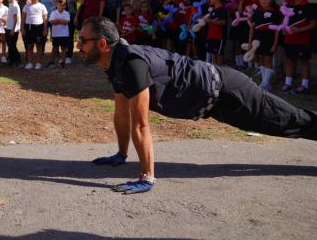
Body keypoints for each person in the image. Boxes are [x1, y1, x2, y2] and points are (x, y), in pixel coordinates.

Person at [79, 16, 317, 195]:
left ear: (101, 43)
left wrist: (147, 177)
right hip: (216, 106)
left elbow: (141, 125)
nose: (79, 45)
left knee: (291, 122)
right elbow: (122, 114)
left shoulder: (131, 63)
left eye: (82, 40)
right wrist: (121, 154)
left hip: (229, 91)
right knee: (284, 125)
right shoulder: (114, 64)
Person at [281, 0, 317, 94]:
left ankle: (305, 85)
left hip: (303, 40)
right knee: (290, 60)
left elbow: (313, 24)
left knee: (304, 62)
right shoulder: (288, 6)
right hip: (289, 39)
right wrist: (283, 28)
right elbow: (284, 21)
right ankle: (288, 83)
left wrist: (299, 30)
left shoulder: (308, 7)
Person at [248, 0, 280, 90]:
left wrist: (275, 44)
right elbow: (252, 28)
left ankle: (266, 82)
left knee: (268, 60)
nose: (264, 0)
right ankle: (264, 81)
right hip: (257, 40)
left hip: (269, 40)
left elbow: (277, 30)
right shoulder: (257, 13)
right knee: (261, 59)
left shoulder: (275, 13)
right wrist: (250, 42)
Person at [22, 0, 47, 70]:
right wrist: (22, 28)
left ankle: (38, 63)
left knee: (39, 46)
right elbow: (23, 18)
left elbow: (45, 18)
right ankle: (30, 63)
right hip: (29, 27)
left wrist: (45, 29)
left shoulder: (42, 6)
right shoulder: (26, 6)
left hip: (39, 27)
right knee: (29, 46)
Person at [48, 0, 70, 68]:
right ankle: (51, 62)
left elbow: (66, 22)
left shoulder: (67, 13)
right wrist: (61, 21)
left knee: (64, 49)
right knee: (54, 48)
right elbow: (52, 22)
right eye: (59, 5)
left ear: (65, 6)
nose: (61, 6)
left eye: (62, 5)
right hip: (56, 34)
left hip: (64, 34)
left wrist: (57, 20)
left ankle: (62, 62)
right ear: (57, 5)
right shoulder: (53, 13)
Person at [5, 0, 21, 67]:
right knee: (10, 45)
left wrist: (13, 29)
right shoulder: (10, 4)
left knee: (12, 45)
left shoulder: (15, 5)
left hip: (13, 29)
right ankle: (11, 60)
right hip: (8, 27)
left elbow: (16, 19)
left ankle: (17, 60)